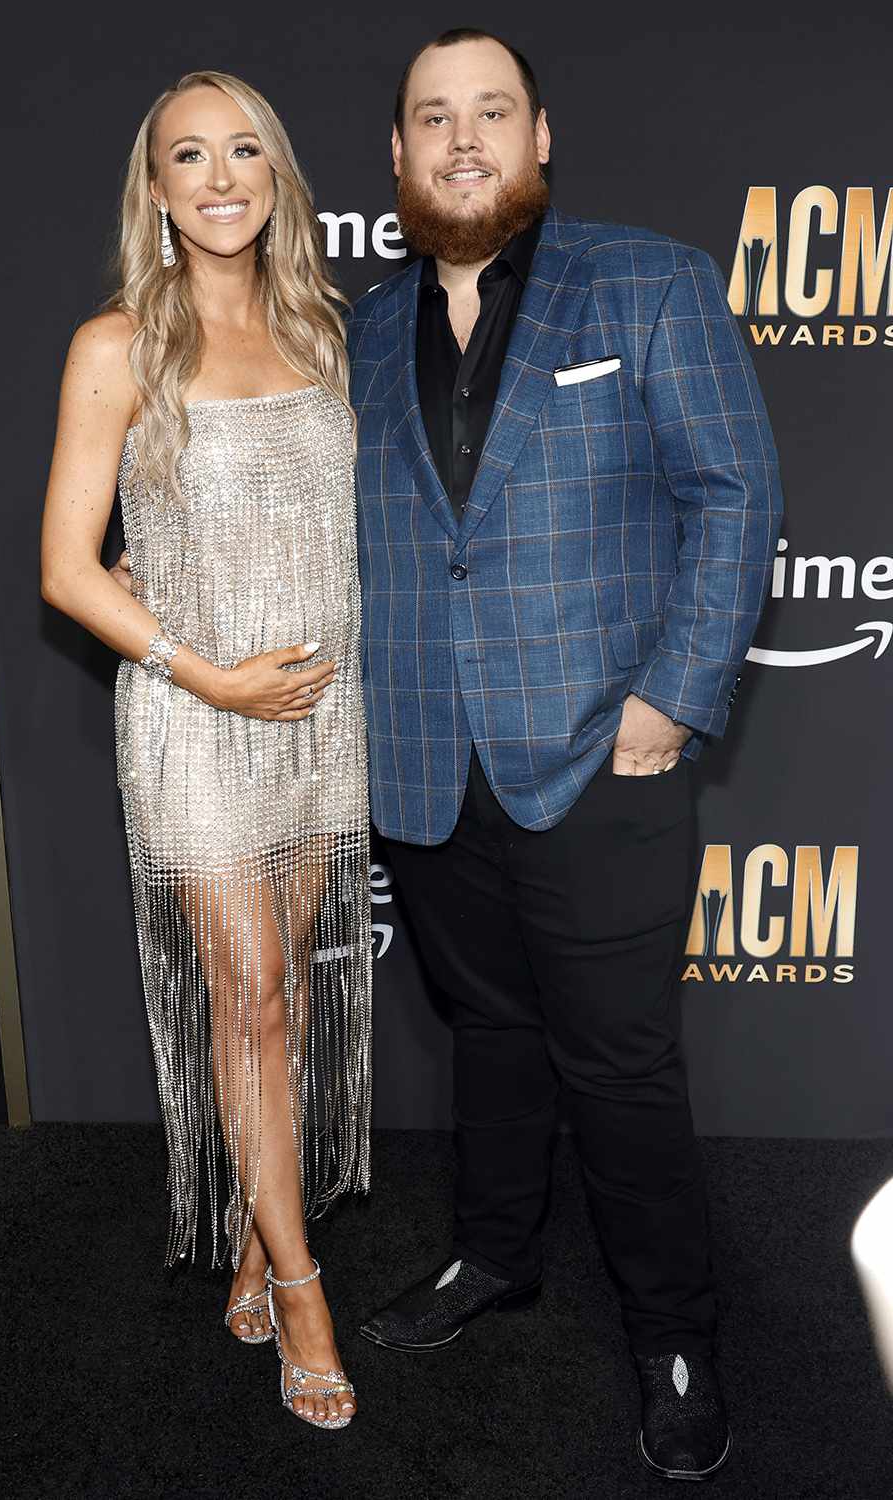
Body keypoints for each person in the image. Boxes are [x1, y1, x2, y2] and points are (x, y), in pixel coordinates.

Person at [347, 29, 782, 1480]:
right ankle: (494, 1258)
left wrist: (676, 694)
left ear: (542, 136)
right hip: (421, 759)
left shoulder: (645, 281)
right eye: (431, 119)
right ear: (398, 159)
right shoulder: (355, 329)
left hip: (607, 754)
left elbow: (733, 494)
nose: (461, 140)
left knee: (620, 1062)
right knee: (491, 1038)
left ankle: (674, 1334)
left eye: (490, 113)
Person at [41, 70, 369, 1430]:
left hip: (314, 724)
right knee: (246, 995)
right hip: (194, 720)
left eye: (247, 150)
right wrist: (209, 676)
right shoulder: (116, 345)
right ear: (158, 190)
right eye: (192, 155)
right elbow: (69, 570)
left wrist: (281, 686)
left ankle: (255, 1227)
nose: (223, 175)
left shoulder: (320, 329)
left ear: (276, 177)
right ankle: (299, 1288)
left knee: (282, 988)